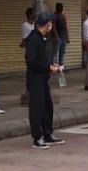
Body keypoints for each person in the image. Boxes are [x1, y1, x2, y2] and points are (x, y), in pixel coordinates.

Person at [24, 13, 63, 149]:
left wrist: (52, 65)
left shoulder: (42, 39)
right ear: (48, 24)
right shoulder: (33, 39)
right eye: (51, 23)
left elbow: (42, 59)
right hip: (35, 78)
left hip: (43, 78)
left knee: (47, 106)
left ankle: (47, 133)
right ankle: (37, 137)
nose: (51, 26)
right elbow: (31, 61)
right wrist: (48, 67)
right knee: (37, 108)